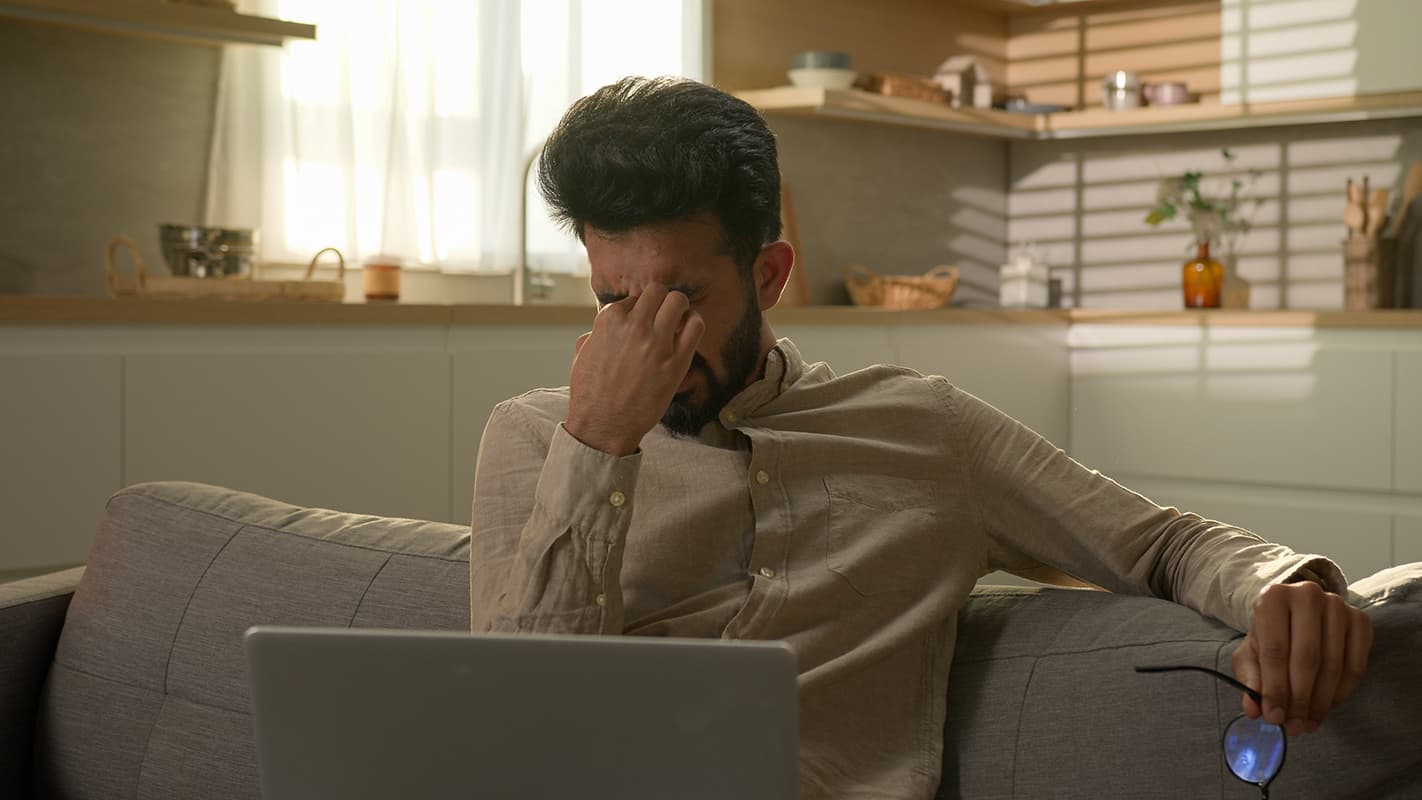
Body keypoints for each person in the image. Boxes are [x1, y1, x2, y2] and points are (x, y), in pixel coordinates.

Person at [468, 76, 1372, 800]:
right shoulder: (534, 437)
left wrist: (1281, 587)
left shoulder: (924, 430)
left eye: (682, 299)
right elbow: (520, 726)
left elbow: (1163, 543)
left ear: (771, 275)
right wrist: (598, 444)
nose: (642, 339)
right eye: (612, 300)